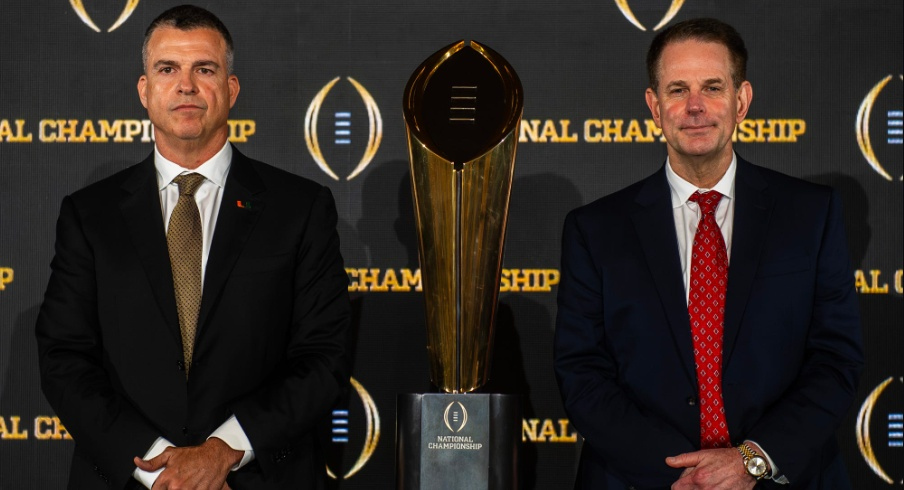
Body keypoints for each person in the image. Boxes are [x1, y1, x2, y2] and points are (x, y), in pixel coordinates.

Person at [35, 5, 350, 489]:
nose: (186, 85)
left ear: (231, 88)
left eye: (204, 69)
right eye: (167, 69)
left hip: (258, 478)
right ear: (145, 90)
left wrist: (224, 451)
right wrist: (160, 466)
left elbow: (323, 357)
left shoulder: (300, 208)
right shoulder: (88, 214)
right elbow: (64, 358)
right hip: (130, 479)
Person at [554, 18, 863, 489]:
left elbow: (836, 361)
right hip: (642, 481)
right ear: (654, 107)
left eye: (712, 87)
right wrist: (689, 475)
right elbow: (582, 375)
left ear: (741, 101)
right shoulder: (595, 230)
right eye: (677, 90)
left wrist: (751, 461)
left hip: (782, 477)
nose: (694, 107)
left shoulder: (811, 215)